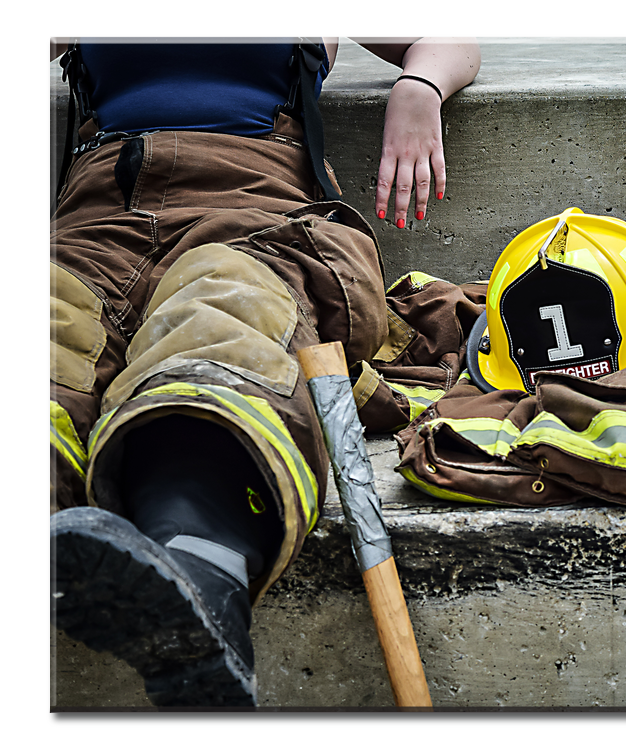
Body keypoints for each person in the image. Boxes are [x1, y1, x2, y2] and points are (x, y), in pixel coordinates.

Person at [48, 36, 480, 707]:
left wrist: (419, 88)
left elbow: (448, 43)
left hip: (254, 217)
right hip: (95, 225)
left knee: (225, 324)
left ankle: (199, 582)